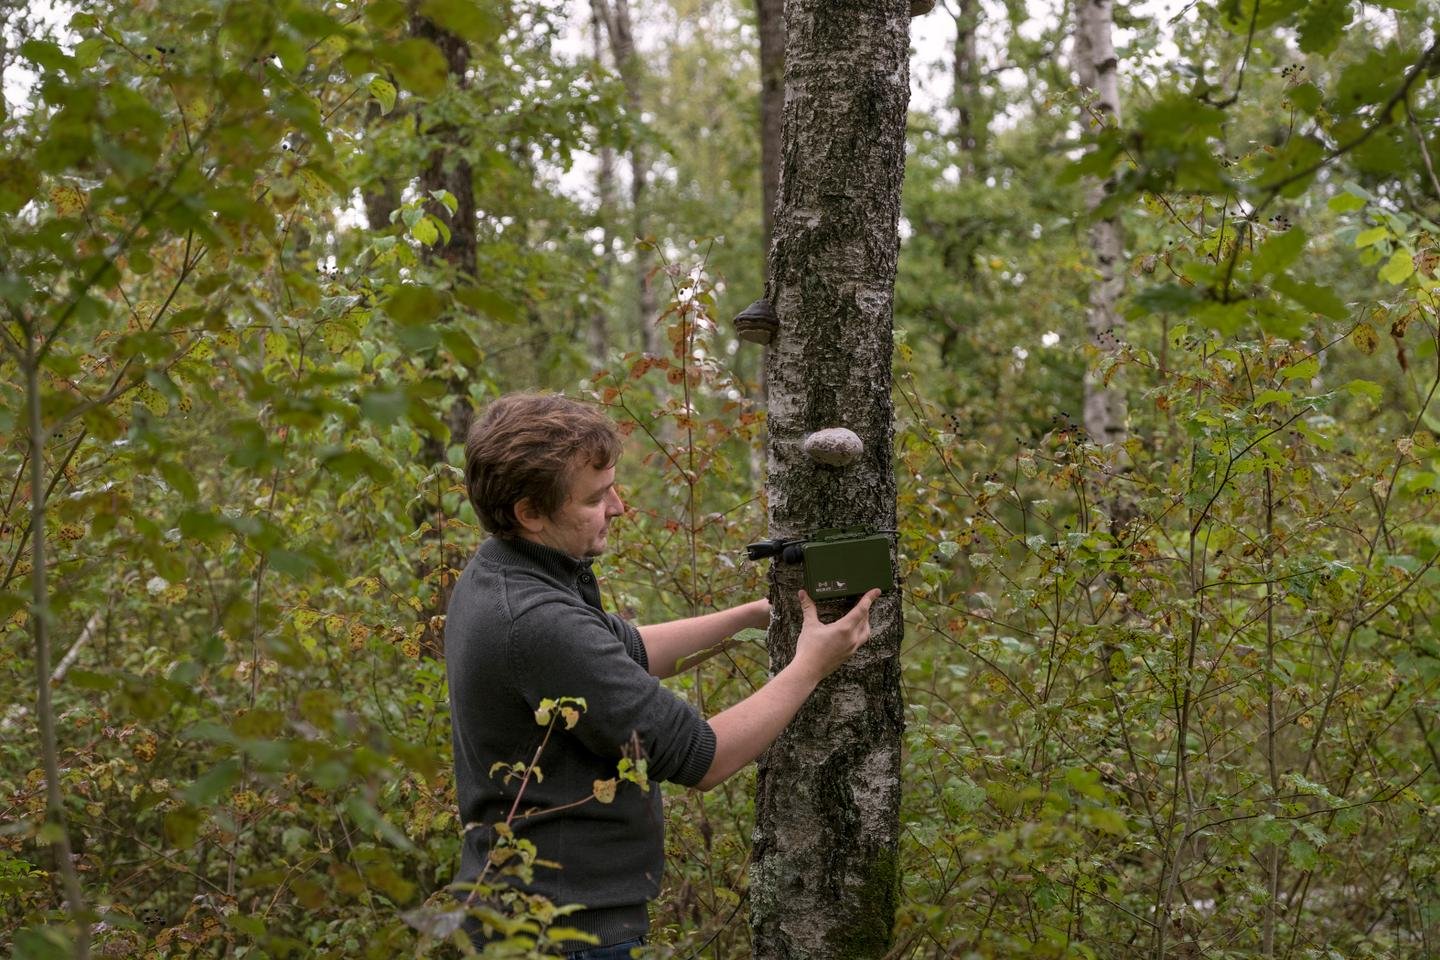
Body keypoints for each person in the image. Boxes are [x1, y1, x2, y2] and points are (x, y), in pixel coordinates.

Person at [445, 392, 878, 958]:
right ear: (529, 512)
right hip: (563, 933)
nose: (619, 508)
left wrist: (752, 618)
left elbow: (621, 650)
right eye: (597, 498)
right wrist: (811, 665)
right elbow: (704, 756)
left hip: (537, 916)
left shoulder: (505, 571)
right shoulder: (536, 621)